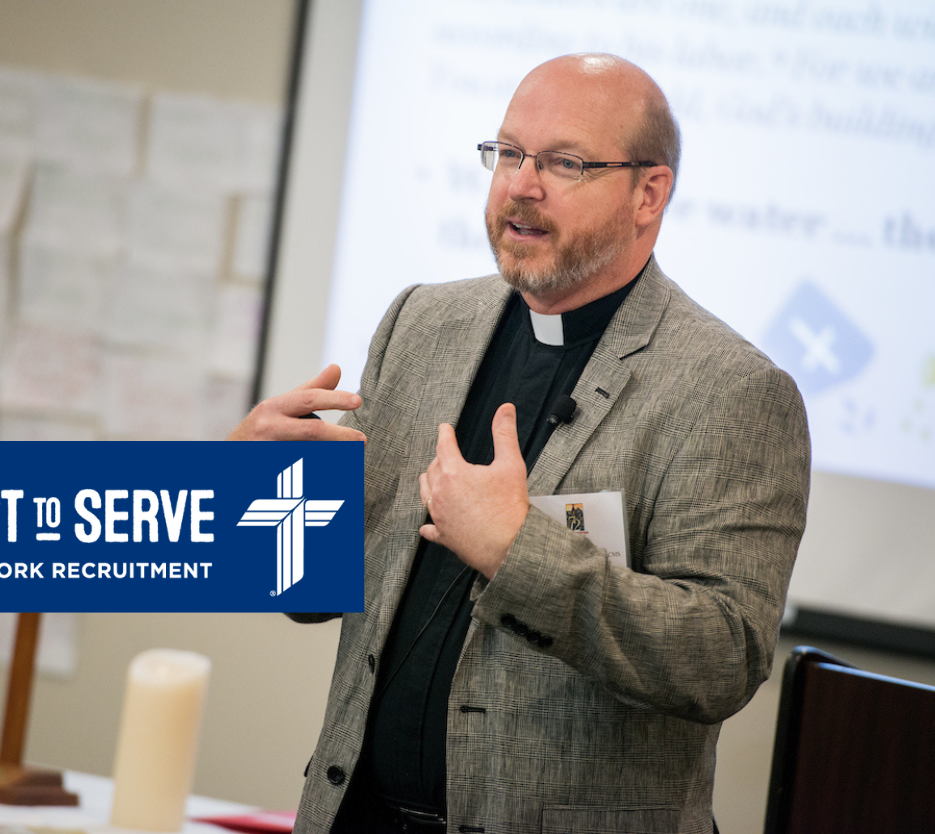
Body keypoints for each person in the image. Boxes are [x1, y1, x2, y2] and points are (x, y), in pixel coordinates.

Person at [231, 53, 811, 834]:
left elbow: (722, 656)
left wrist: (518, 552)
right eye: (508, 154)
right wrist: (265, 498)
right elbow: (318, 591)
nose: (520, 186)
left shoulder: (731, 391)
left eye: (565, 163)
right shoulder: (421, 325)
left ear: (650, 194)